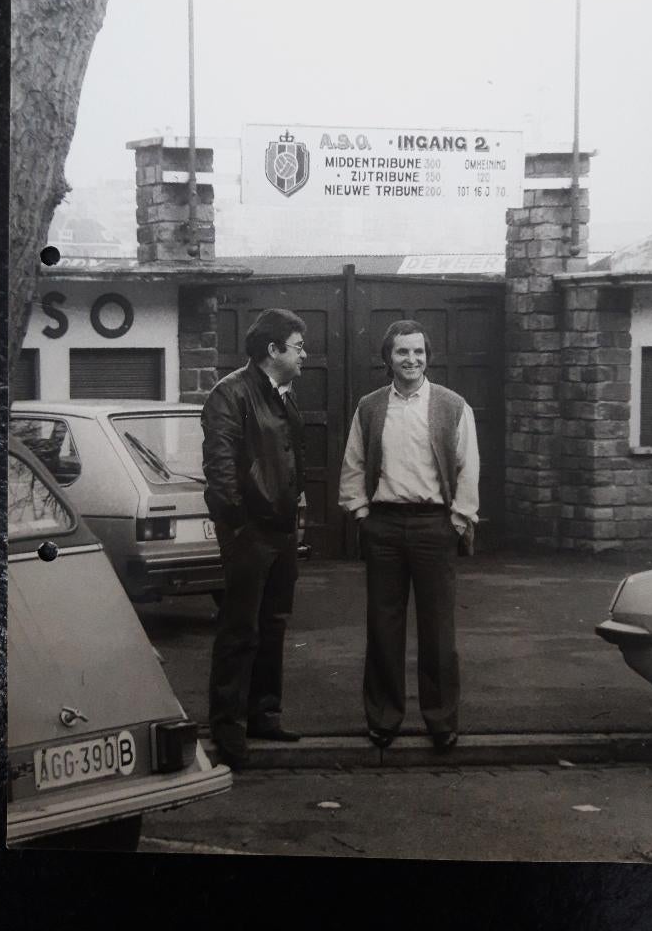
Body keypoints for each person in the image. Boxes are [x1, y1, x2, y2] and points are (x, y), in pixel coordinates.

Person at [339, 319, 479, 754]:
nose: (411, 360)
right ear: (388, 358)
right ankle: (384, 719)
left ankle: (441, 721)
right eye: (402, 352)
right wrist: (361, 512)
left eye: (418, 352)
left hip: (433, 527)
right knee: (384, 628)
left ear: (427, 356)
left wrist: (458, 519)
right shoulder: (370, 407)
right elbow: (354, 465)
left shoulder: (452, 406)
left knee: (438, 631)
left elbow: (467, 468)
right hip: (384, 527)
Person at [201, 308, 307, 770]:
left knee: (273, 624)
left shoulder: (284, 396)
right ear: (273, 350)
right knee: (239, 630)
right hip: (249, 532)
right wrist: (239, 525)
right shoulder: (230, 394)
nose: (305, 353)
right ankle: (228, 728)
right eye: (298, 345)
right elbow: (220, 468)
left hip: (281, 530)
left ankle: (263, 713)